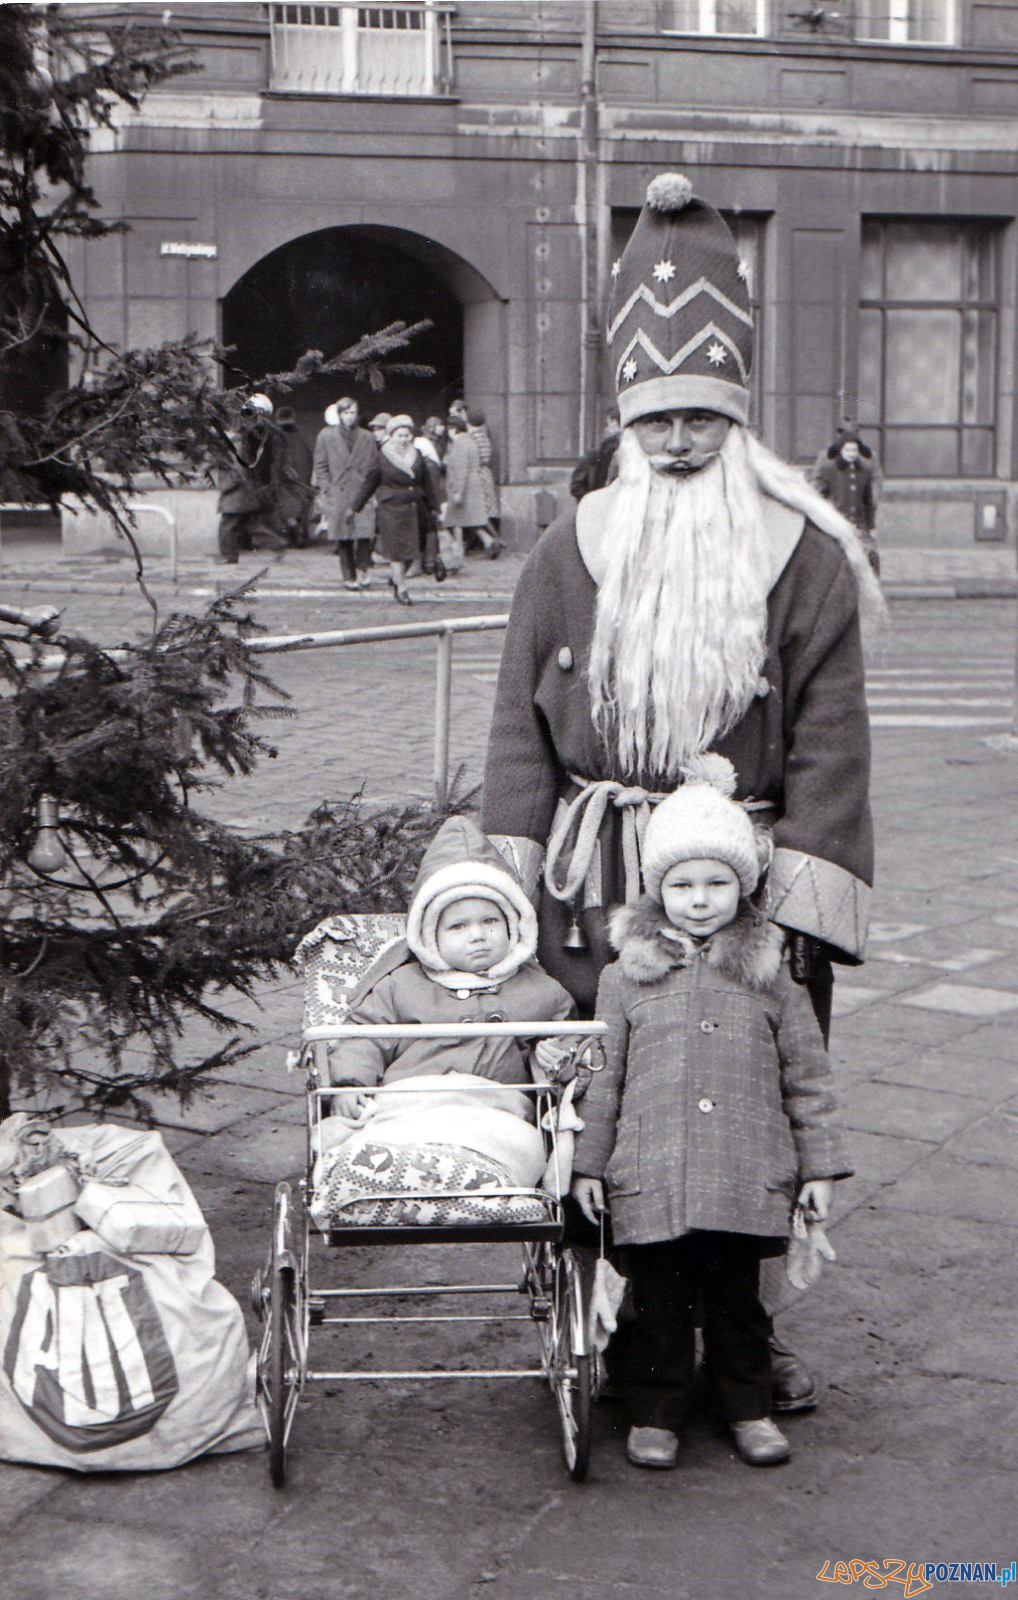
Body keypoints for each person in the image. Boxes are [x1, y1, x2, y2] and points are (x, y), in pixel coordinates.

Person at [481, 170, 883, 1410]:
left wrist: (800, 907)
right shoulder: (572, 546)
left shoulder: (802, 554)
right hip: (597, 881)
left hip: (746, 882)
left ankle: (744, 1343)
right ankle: (625, 1333)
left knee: (752, 1107)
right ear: (624, 417)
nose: (675, 441)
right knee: (607, 1104)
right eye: (655, 419)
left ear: (737, 419)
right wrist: (507, 862)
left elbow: (830, 735)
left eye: (701, 419)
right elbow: (515, 718)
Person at [569, 755, 852, 1468]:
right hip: (651, 1166)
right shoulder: (623, 978)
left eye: (718, 882)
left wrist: (818, 1167)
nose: (700, 899)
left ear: (744, 886)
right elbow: (603, 1078)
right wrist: (588, 1165)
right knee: (657, 1300)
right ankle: (654, 1411)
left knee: (736, 1302)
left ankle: (747, 1405)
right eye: (683, 884)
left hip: (742, 1166)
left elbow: (808, 1077)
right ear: (657, 890)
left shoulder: (772, 977)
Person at [328, 816, 576, 1116]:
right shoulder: (401, 985)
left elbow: (571, 1036)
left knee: (522, 1146)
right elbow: (365, 1036)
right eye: (458, 927)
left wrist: (560, 1059)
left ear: (513, 924)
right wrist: (351, 1085)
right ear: (430, 936)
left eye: (490, 921)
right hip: (410, 1103)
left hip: (496, 1110)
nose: (478, 936)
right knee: (354, 1130)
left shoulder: (539, 990)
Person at [362, 414, 441, 605]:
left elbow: (427, 483)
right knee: (397, 551)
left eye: (407, 435)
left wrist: (434, 506)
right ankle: (402, 588)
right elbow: (370, 482)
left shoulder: (418, 455)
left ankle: (397, 579)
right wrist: (356, 505)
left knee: (412, 549)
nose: (404, 439)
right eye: (400, 435)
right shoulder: (382, 456)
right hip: (391, 509)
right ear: (391, 436)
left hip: (414, 508)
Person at [312, 397, 379, 590]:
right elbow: (321, 464)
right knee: (344, 536)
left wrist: (370, 488)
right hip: (339, 491)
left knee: (364, 532)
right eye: (346, 413)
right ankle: (348, 575)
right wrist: (326, 488)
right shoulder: (326, 436)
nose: (350, 417)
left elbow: (374, 465)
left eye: (353, 413)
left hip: (361, 490)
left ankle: (364, 567)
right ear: (340, 414)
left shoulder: (367, 436)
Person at [216, 393, 286, 563]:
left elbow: (240, 466)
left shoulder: (239, 441)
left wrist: (233, 484)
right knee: (251, 524)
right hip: (243, 488)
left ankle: (229, 556)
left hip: (237, 489)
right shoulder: (245, 437)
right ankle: (277, 544)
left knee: (228, 525)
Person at [812, 424, 881, 577]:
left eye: (854, 432)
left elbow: (872, 489)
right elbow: (818, 487)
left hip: (860, 520)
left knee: (870, 556)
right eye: (843, 432)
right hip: (837, 518)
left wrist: (869, 521)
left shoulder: (868, 459)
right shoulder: (827, 459)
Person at [444, 414, 502, 562]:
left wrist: (458, 491)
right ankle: (488, 541)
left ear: (453, 429)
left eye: (448, 429)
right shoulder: (471, 441)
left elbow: (461, 469)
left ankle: (457, 554)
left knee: (454, 521)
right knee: (471, 519)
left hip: (464, 487)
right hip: (473, 485)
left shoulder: (459, 444)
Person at [270, 405, 314, 547]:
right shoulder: (302, 437)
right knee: (302, 507)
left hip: (284, 479)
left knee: (286, 509)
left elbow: (275, 460)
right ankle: (301, 532)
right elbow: (308, 458)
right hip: (303, 479)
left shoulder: (275, 437)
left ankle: (295, 531)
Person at [570, 407, 621, 502]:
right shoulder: (595, 455)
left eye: (608, 424)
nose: (606, 428)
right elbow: (577, 488)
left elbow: (576, 487)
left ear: (614, 422)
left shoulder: (595, 454)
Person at [466, 406, 501, 537]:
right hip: (486, 472)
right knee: (487, 508)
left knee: (479, 509)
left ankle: (492, 538)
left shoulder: (472, 436)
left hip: (477, 473)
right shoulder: (485, 434)